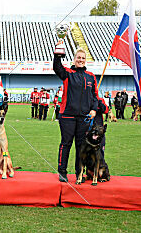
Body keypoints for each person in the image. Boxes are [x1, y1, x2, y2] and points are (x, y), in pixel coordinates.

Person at [53, 48, 98, 182]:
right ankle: (62, 172)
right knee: (66, 144)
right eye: (78, 57)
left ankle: (79, 173)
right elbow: (57, 67)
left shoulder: (91, 76)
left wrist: (94, 109)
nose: (80, 60)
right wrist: (58, 54)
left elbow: (95, 96)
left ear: (85, 60)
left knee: (81, 146)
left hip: (84, 118)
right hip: (67, 116)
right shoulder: (68, 73)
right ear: (74, 59)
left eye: (83, 58)